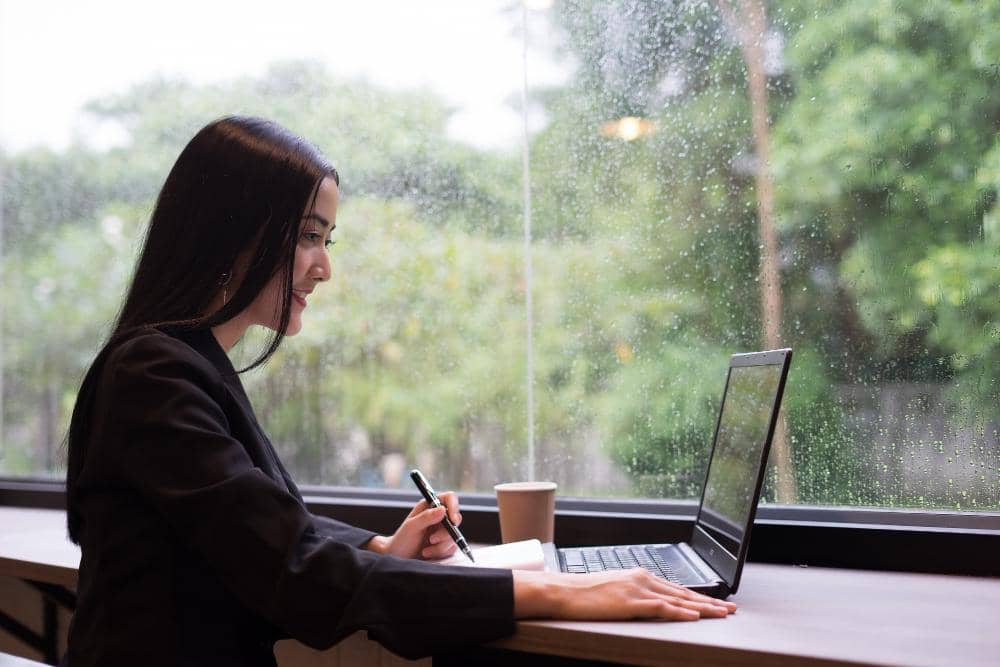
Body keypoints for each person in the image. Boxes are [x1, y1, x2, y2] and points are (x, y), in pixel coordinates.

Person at [63, 116, 735, 667]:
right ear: (232, 230)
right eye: (309, 237)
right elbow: (291, 570)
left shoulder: (182, 366)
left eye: (326, 239)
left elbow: (260, 532)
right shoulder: (153, 376)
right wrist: (563, 593)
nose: (324, 268)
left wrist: (381, 548)